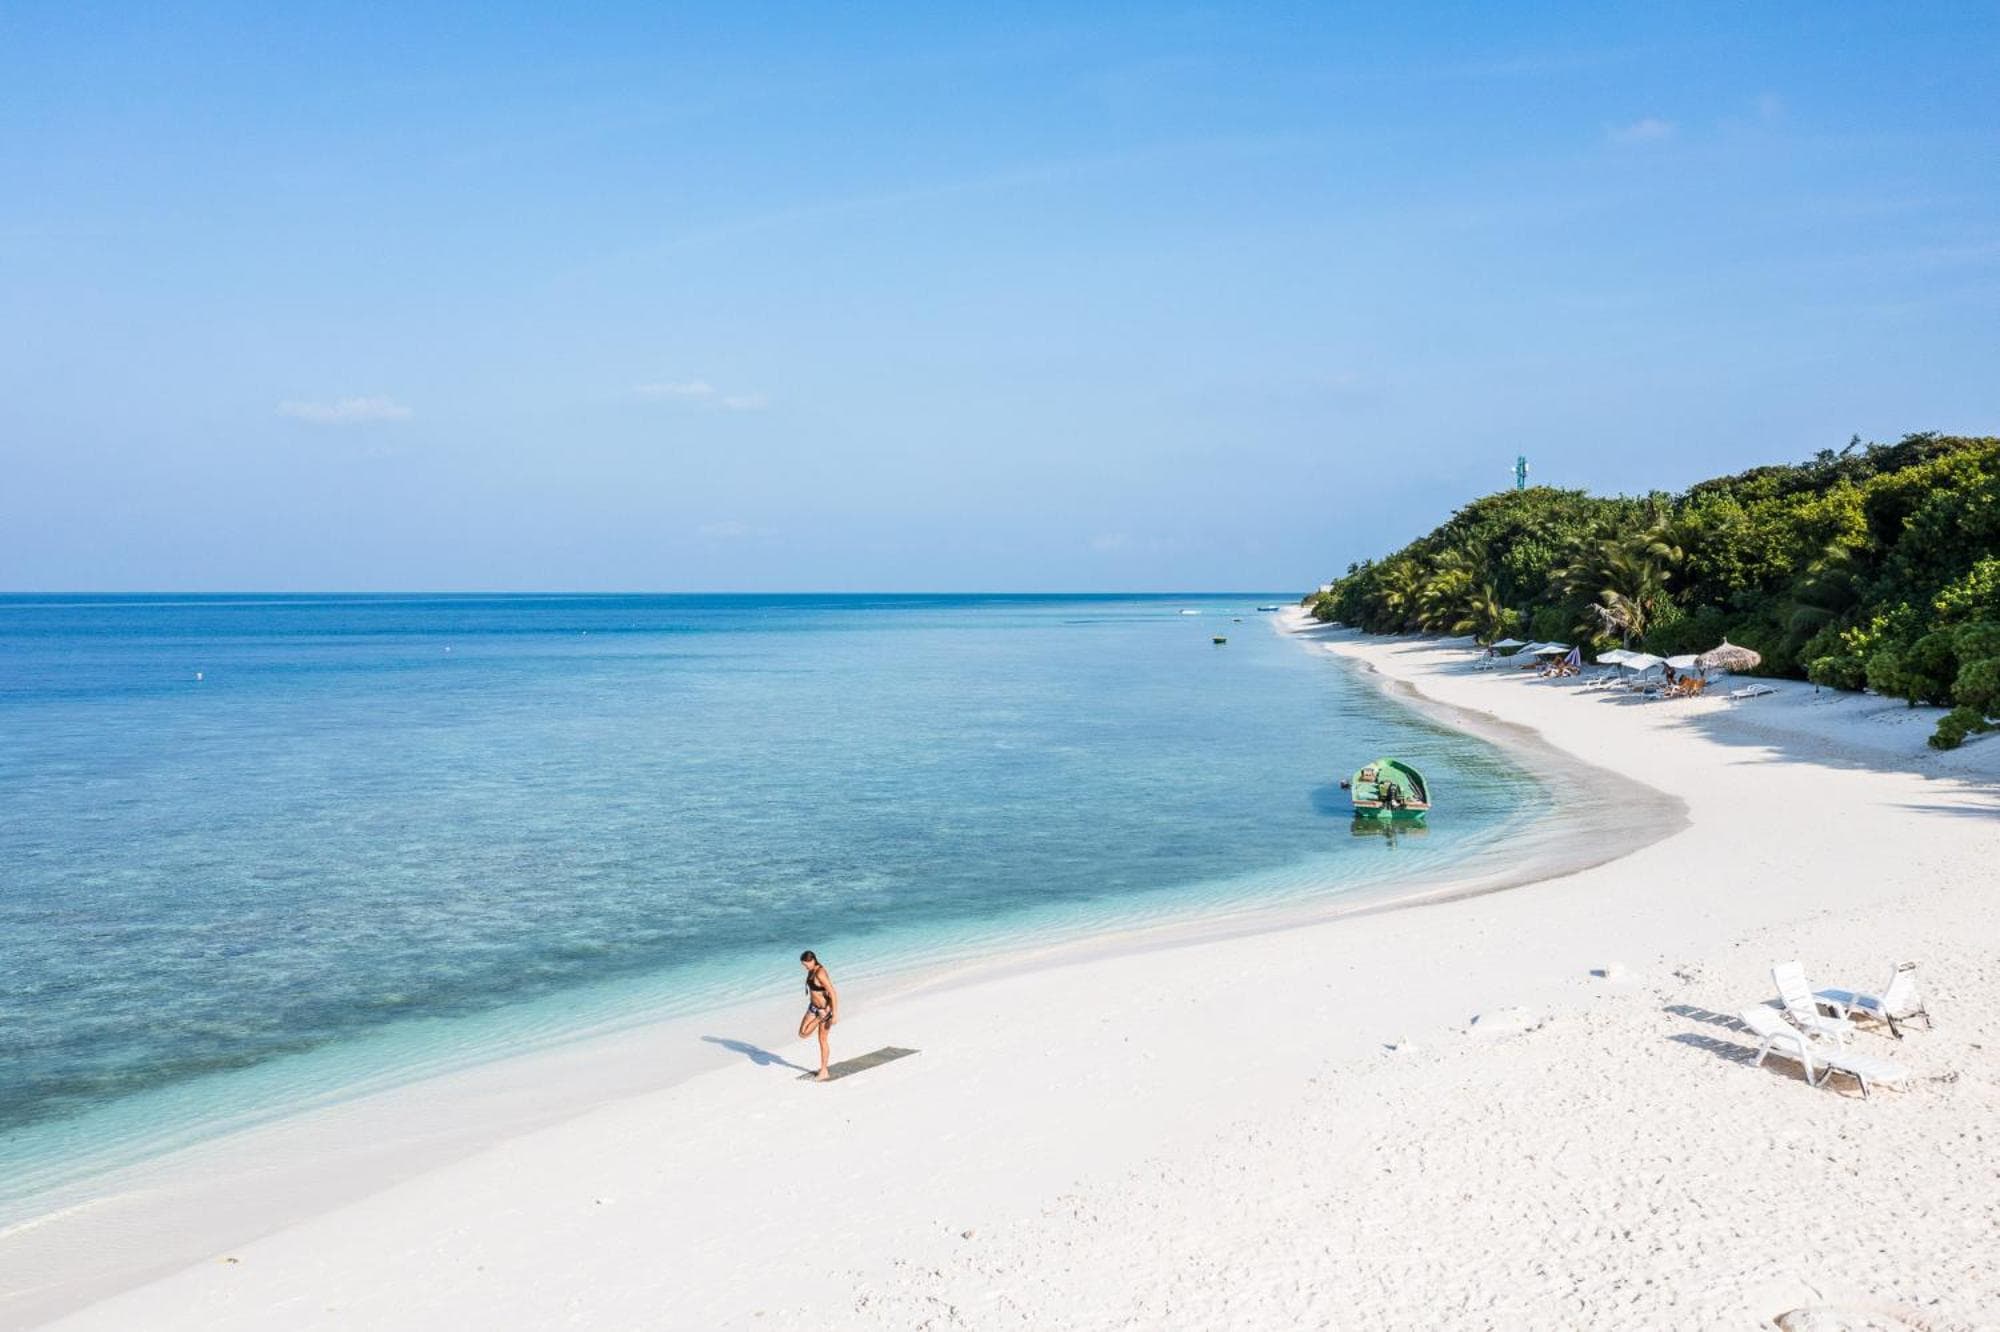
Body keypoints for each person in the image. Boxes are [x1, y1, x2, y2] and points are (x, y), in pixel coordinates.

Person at [798, 950, 838, 1081]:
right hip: (813, 1008)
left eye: (806, 964)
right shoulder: (811, 971)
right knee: (803, 1033)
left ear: (812, 960)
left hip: (824, 1010)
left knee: (822, 1040)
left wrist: (834, 1014)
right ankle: (819, 1018)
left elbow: (833, 993)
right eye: (803, 965)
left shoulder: (820, 973)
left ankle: (824, 1071)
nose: (805, 967)